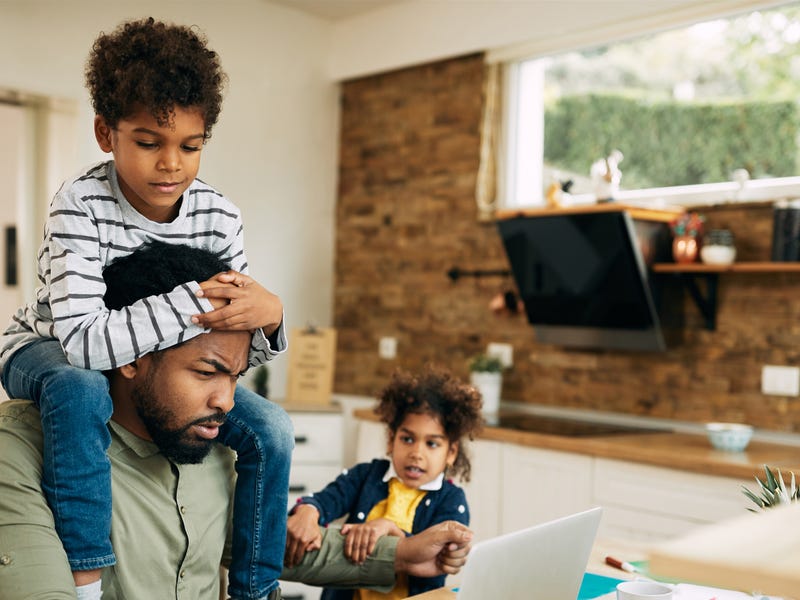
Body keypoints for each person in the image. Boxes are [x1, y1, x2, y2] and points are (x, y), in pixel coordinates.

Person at [0, 18, 291, 600]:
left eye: (191, 145)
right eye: (149, 142)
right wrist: (193, 300)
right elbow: (84, 341)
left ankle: (256, 588)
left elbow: (227, 343)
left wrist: (270, 315)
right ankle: (86, 571)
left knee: (273, 429)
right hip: (44, 346)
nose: (172, 165)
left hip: (126, 358)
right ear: (106, 133)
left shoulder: (219, 215)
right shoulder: (78, 205)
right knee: (82, 389)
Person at [0, 241, 473, 599]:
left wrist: (404, 555)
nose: (227, 401)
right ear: (130, 355)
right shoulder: (21, 448)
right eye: (207, 371)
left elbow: (262, 543)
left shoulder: (218, 440)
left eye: (236, 376)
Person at [285, 367, 484, 599]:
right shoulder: (365, 476)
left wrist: (391, 529)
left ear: (451, 452)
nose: (416, 453)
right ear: (391, 440)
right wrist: (309, 510)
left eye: (432, 444)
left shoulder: (451, 500)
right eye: (407, 439)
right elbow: (324, 500)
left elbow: (435, 560)